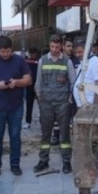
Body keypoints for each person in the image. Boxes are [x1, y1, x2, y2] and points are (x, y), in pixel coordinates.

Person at [0, 35, 32, 176]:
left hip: (16, 105)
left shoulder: (19, 61)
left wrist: (17, 82)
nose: (5, 54)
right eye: (2, 51)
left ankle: (15, 164)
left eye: (8, 51)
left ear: (11, 49)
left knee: (15, 136)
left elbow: (28, 79)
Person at [33, 36, 75, 175]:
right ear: (49, 46)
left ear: (61, 46)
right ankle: (43, 161)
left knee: (64, 135)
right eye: (52, 47)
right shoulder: (42, 61)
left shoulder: (67, 62)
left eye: (57, 47)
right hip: (46, 104)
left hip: (62, 103)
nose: (55, 50)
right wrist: (40, 100)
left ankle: (66, 162)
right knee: (45, 135)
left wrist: (69, 100)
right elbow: (38, 83)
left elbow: (73, 83)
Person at [24, 47, 40, 129]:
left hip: (39, 85)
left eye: (34, 54)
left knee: (41, 105)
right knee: (29, 104)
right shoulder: (26, 61)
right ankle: (28, 121)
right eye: (31, 54)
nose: (32, 56)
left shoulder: (40, 61)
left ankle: (42, 121)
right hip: (29, 86)